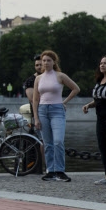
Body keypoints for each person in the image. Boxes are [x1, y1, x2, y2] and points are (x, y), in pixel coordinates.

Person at [33, 50, 80, 182]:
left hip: (57, 110)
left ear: (54, 62)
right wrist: (36, 117)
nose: (46, 63)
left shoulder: (60, 76)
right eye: (44, 60)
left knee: (58, 141)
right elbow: (36, 99)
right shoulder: (38, 78)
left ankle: (60, 171)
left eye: (48, 60)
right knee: (47, 143)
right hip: (42, 110)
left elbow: (76, 88)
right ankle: (50, 171)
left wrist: (64, 102)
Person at [83, 55, 106, 185]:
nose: (102, 65)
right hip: (100, 118)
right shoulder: (100, 79)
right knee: (103, 147)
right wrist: (89, 105)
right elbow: (99, 99)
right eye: (101, 63)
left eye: (105, 63)